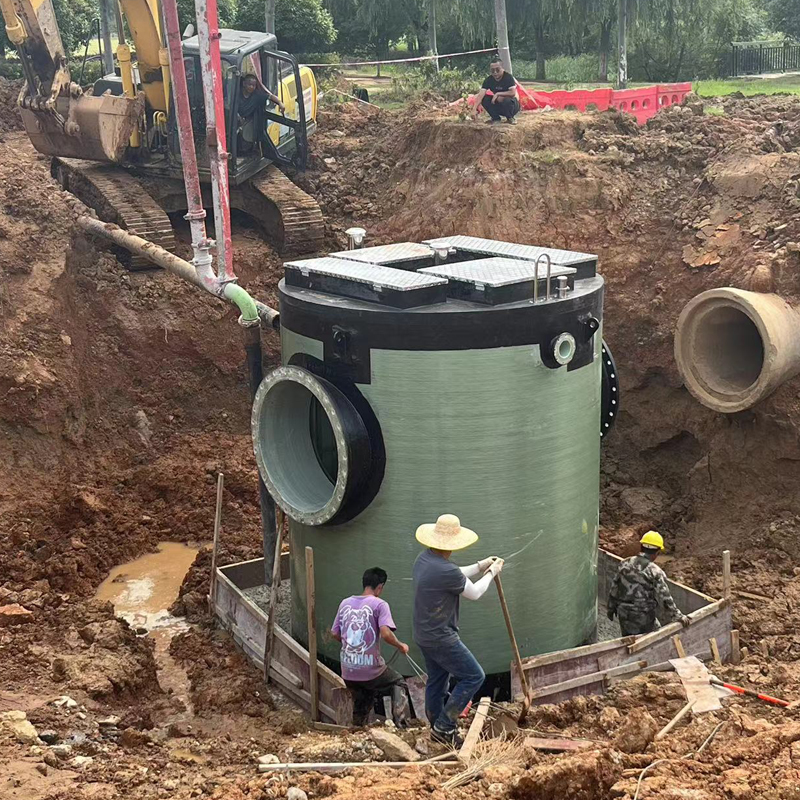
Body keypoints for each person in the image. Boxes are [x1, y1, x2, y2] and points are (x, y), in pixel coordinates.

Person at [412, 514, 504, 746]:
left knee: (438, 678)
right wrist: (491, 573)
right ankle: (445, 726)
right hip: (441, 636)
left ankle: (435, 726)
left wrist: (480, 565)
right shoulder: (445, 570)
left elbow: (453, 575)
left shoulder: (424, 560)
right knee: (474, 676)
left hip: (423, 634)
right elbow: (473, 592)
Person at [331, 566, 410, 727]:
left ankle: (357, 730)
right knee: (398, 681)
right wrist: (400, 645)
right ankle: (401, 724)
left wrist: (351, 647)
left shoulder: (345, 603)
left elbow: (334, 633)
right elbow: (386, 633)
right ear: (380, 587)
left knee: (363, 698)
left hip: (348, 669)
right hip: (370, 669)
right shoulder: (380, 605)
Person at [607, 531, 691, 636]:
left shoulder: (624, 563)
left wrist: (611, 608)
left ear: (641, 546)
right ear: (656, 553)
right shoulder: (654, 571)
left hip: (624, 613)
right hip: (643, 616)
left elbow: (614, 587)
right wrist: (678, 616)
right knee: (655, 638)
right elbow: (665, 598)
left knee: (628, 641)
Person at [473, 57, 520, 124]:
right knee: (485, 98)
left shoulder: (508, 77)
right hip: (498, 104)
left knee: (506, 100)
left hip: (512, 105)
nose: (495, 73)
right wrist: (474, 109)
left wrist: (498, 94)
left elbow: (512, 93)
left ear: (502, 69)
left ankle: (510, 117)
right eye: (492, 70)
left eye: (497, 70)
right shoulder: (489, 80)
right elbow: (481, 94)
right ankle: (495, 118)